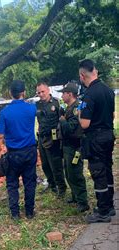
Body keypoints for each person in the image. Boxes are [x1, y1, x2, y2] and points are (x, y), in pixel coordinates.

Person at [0, 80, 37, 220]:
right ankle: (29, 212)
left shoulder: (5, 113)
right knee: (29, 182)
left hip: (13, 155)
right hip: (30, 152)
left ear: (10, 93)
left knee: (12, 183)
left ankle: (15, 213)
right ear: (23, 92)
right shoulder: (31, 109)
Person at [77, 59, 116, 223]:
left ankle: (103, 211)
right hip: (108, 135)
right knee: (107, 170)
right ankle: (110, 205)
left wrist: (79, 113)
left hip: (96, 139)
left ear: (82, 75)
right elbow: (113, 115)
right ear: (96, 71)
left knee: (98, 173)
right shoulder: (108, 90)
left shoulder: (89, 95)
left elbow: (85, 123)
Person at [57, 82, 89, 212]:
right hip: (67, 146)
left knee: (75, 174)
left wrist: (62, 120)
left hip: (74, 146)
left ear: (70, 94)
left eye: (63, 93)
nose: (62, 96)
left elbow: (71, 129)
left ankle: (83, 201)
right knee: (68, 173)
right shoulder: (68, 108)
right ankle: (75, 196)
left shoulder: (76, 108)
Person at [36, 82, 67, 197]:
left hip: (53, 138)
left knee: (56, 165)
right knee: (45, 164)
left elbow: (63, 119)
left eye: (43, 91)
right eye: (38, 92)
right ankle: (51, 184)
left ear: (48, 90)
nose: (41, 94)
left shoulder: (56, 103)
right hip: (42, 137)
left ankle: (62, 187)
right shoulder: (37, 105)